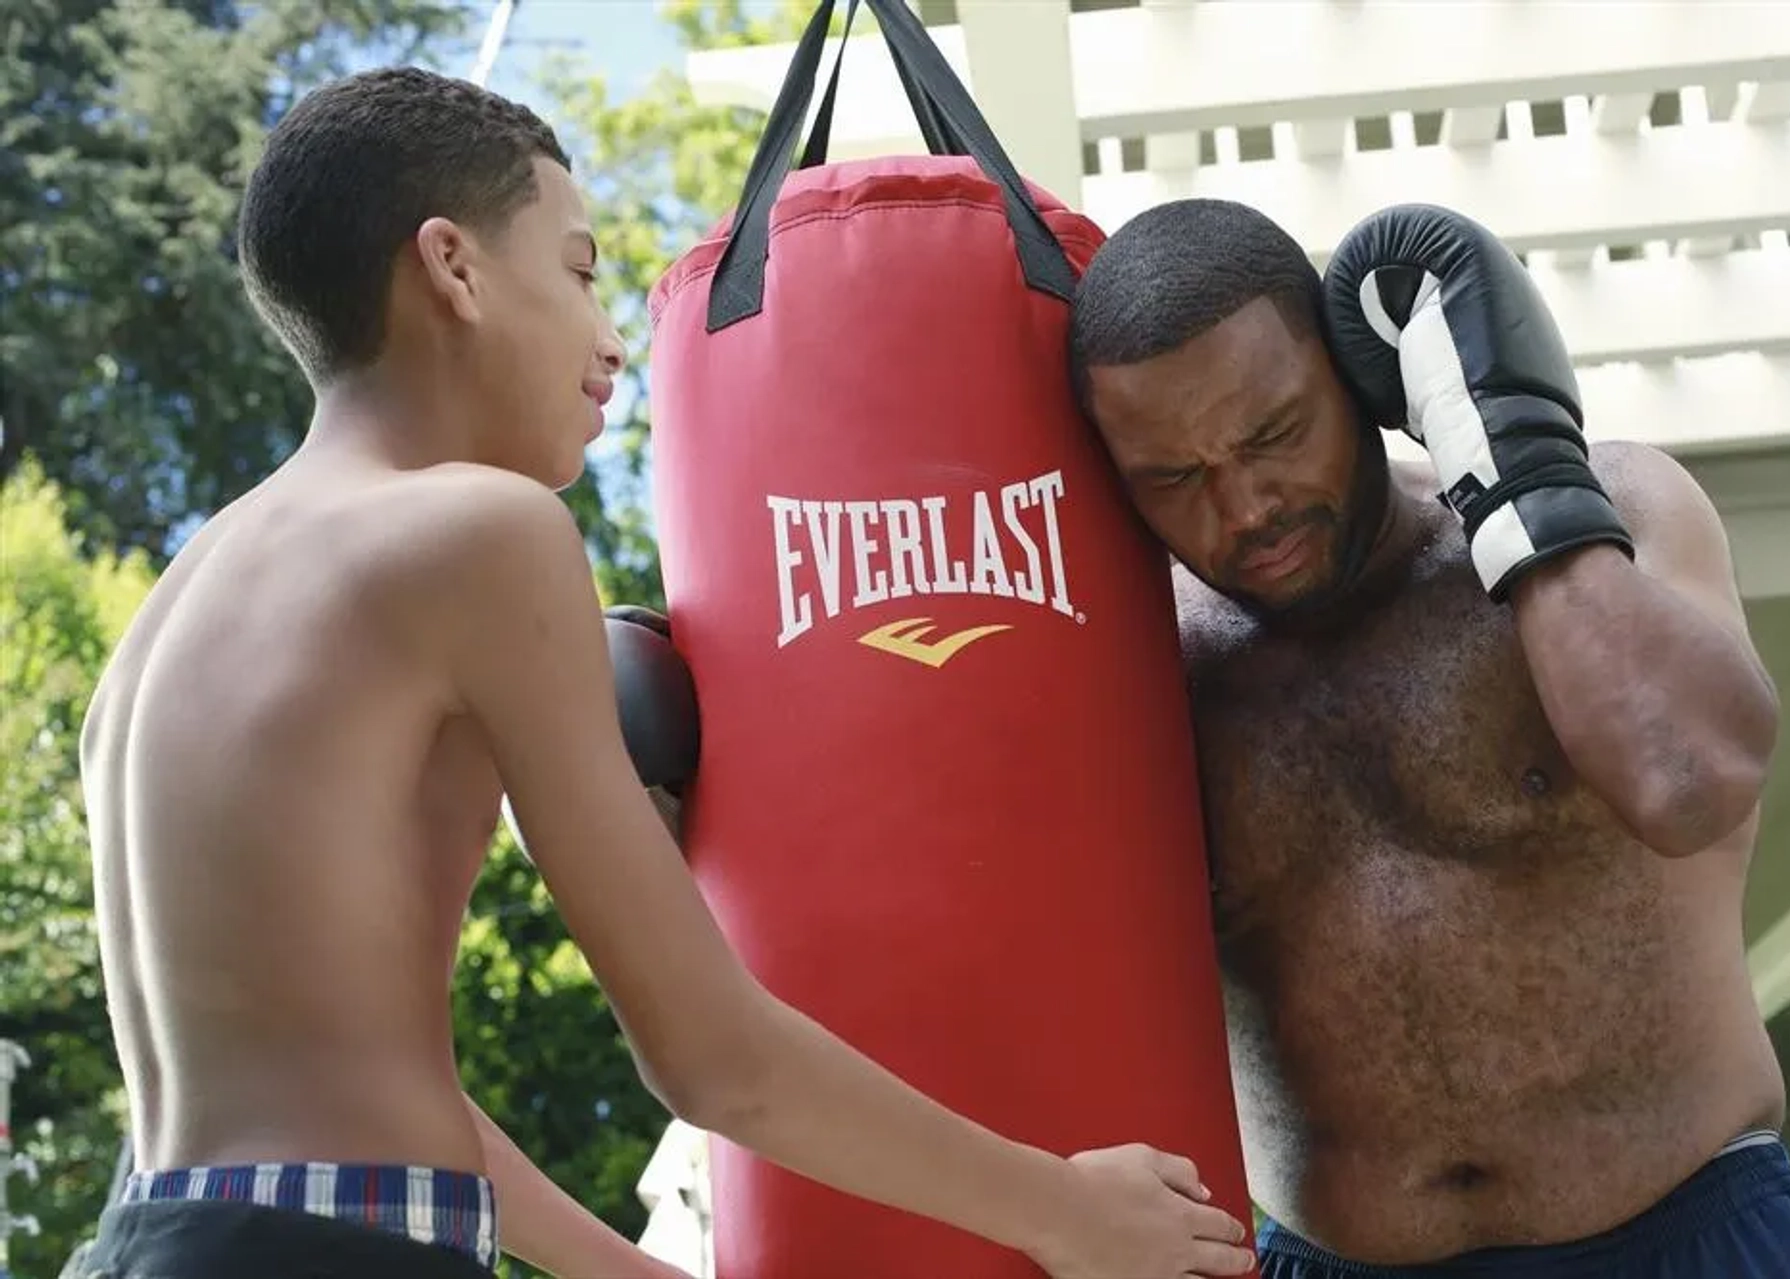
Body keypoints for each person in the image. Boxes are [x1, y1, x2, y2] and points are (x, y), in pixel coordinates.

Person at [73, 67, 1256, 1279]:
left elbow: (363, 1099)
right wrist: (1063, 1209)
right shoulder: (475, 532)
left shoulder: (180, 605)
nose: (610, 342)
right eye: (580, 270)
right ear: (454, 267)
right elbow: (705, 1053)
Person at [1063, 198, 1790, 1278]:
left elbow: (1688, 782)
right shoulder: (1149, 669)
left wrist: (1521, 490)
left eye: (1274, 434)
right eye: (1175, 477)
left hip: (1692, 1235)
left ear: (1359, 373)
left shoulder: (1616, 507)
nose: (1245, 506)